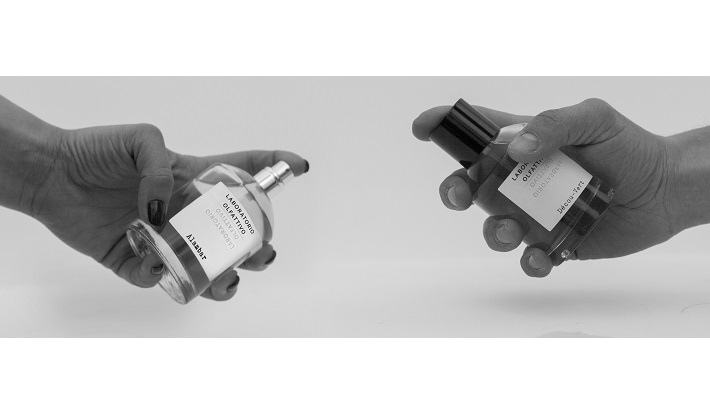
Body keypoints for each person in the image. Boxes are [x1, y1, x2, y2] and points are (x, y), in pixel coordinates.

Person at [0, 94, 309, 301]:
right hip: (150, 238)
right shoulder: (230, 179)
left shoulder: (259, 219)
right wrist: (56, 165)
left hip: (171, 263)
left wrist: (49, 174)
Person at [413, 98, 710, 277]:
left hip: (596, 200)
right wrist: (666, 183)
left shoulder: (514, 137)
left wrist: (661, 177)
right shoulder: (482, 173)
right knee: (503, 222)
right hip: (591, 211)